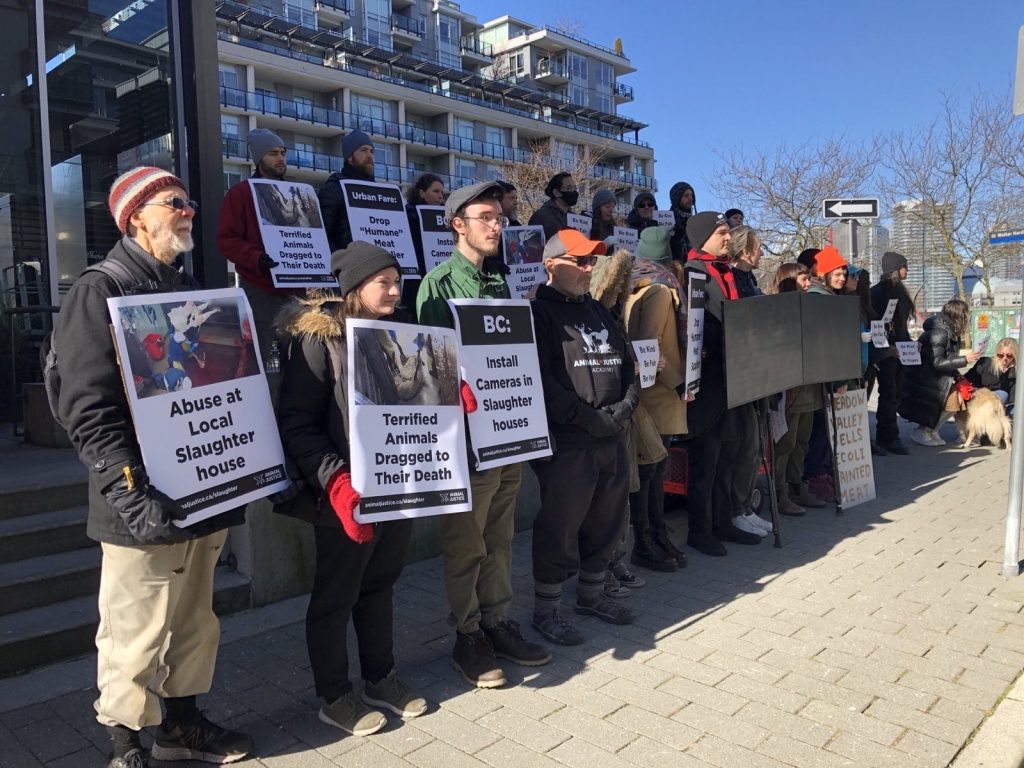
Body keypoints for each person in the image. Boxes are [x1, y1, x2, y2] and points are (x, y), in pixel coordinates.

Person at [54, 167, 252, 768]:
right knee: (133, 631)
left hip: (200, 490)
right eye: (175, 202)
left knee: (195, 619)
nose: (189, 210)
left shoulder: (187, 288)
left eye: (189, 201)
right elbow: (86, 407)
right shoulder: (100, 290)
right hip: (140, 500)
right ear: (137, 215)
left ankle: (181, 727)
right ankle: (125, 746)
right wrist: (126, 491)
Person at [276, 242, 428, 738]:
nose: (393, 289)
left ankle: (380, 677)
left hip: (396, 485)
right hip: (341, 494)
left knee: (380, 584)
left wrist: (446, 398)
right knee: (335, 596)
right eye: (382, 281)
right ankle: (334, 695)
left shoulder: (400, 334)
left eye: (397, 280)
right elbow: (297, 421)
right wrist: (335, 481)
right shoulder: (319, 341)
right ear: (354, 287)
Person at [417, 181, 551, 687]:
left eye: (500, 217)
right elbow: (434, 368)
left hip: (508, 436)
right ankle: (467, 634)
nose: (498, 225)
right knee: (466, 543)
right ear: (458, 224)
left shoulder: (501, 284)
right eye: (486, 217)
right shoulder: (439, 284)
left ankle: (497, 621)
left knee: (500, 538)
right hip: (468, 445)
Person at [529, 229, 639, 645]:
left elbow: (629, 364)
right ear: (551, 265)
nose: (589, 269)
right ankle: (546, 610)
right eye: (579, 261)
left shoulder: (598, 310)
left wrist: (625, 407)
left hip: (612, 434)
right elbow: (541, 380)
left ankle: (591, 596)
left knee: (607, 520)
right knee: (560, 525)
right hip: (569, 442)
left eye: (592, 261)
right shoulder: (537, 312)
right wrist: (587, 419)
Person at [682, 212, 762, 556]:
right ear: (703, 238)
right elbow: (696, 324)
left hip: (733, 375)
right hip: (707, 381)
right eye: (721, 233)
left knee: (728, 454)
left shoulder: (724, 271)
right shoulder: (693, 274)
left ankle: (723, 520)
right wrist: (736, 330)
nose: (728, 238)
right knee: (706, 459)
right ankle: (699, 530)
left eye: (728, 232)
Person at [624, 226, 698, 569]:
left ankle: (654, 533)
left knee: (651, 469)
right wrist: (678, 381)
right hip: (660, 389)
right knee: (651, 469)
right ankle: (647, 538)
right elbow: (649, 342)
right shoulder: (658, 290)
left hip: (650, 388)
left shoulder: (634, 284)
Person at [217, 128, 302, 364]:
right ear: (258, 158)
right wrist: (256, 258)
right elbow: (227, 239)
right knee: (258, 358)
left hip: (296, 288)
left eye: (283, 152)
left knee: (299, 359)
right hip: (259, 287)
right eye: (273, 153)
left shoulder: (298, 193)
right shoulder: (240, 194)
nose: (281, 158)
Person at [771, 262, 824, 516]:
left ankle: (797, 486)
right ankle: (779, 492)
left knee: (802, 441)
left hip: (810, 384)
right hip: (790, 387)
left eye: (808, 277)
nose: (807, 282)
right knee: (785, 443)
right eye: (802, 278)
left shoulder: (811, 306)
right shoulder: (778, 310)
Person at [900, 298, 981, 447]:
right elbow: (936, 362)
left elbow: (946, 359)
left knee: (956, 402)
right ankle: (925, 430)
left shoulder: (946, 331)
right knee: (954, 403)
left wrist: (958, 375)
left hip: (936, 378)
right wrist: (964, 359)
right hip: (930, 379)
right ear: (958, 316)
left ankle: (931, 430)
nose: (967, 320)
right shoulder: (941, 333)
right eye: (965, 316)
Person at [870, 251, 915, 455]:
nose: (907, 270)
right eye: (905, 266)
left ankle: (889, 433)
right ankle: (888, 435)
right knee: (888, 393)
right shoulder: (879, 293)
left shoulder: (899, 292)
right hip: (887, 353)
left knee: (895, 393)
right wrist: (887, 349)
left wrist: (910, 344)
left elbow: (900, 325)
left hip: (900, 350)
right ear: (896, 269)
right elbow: (877, 325)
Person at [318, 129, 375, 252]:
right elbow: (322, 235)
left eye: (371, 151)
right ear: (349, 156)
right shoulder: (334, 189)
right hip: (348, 267)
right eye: (364, 150)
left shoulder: (379, 192)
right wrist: (341, 264)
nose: (370, 155)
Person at [402, 173, 446, 313]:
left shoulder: (446, 218)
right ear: (422, 193)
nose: (440, 196)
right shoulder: (407, 216)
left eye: (442, 192)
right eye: (435, 191)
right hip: (416, 282)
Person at [965, 337, 1017, 413]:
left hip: (1004, 406)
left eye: (1009, 356)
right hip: (981, 401)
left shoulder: (1016, 370)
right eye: (1001, 355)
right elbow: (967, 379)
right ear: (996, 353)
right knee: (1003, 394)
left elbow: (1014, 399)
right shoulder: (985, 363)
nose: (1004, 358)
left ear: (1014, 355)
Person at [529, 172, 577, 238]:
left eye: (575, 188)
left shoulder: (574, 218)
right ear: (556, 192)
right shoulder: (541, 216)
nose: (573, 192)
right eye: (569, 188)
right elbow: (533, 244)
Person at [728, 225, 764, 298]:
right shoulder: (730, 283)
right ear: (746, 252)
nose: (762, 253)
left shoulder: (749, 279)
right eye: (759, 248)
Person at [667, 181, 696, 261]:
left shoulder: (695, 222)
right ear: (677, 198)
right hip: (673, 267)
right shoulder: (666, 220)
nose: (690, 198)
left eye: (692, 195)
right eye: (686, 195)